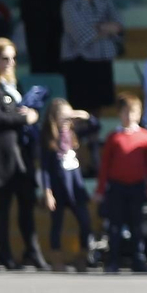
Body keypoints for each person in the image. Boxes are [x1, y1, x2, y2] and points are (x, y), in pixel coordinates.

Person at [0, 38, 44, 270]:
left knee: (27, 201)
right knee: (3, 203)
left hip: (20, 152)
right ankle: (4, 253)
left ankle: (32, 251)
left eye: (13, 58)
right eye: (5, 58)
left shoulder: (14, 84)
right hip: (0, 153)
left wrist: (30, 114)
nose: (10, 63)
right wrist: (24, 118)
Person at [94, 92, 147, 273]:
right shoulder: (114, 137)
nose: (129, 116)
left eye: (133, 112)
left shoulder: (145, 137)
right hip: (117, 187)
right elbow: (105, 166)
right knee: (115, 225)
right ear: (119, 113)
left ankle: (138, 259)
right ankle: (113, 260)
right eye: (125, 112)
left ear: (139, 114)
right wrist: (100, 190)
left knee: (137, 225)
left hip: (137, 187)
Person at [40, 97, 97, 268]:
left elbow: (95, 126)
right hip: (58, 187)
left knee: (85, 221)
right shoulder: (49, 139)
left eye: (68, 116)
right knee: (56, 224)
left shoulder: (73, 133)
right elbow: (44, 169)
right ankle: (56, 257)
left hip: (75, 186)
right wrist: (47, 192)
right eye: (62, 116)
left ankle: (83, 254)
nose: (66, 120)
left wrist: (82, 115)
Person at [59, 0, 123, 113]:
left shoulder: (104, 0)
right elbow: (81, 35)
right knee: (80, 108)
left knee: (99, 108)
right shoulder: (68, 4)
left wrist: (99, 27)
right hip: (79, 63)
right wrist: (105, 27)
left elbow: (119, 26)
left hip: (102, 60)